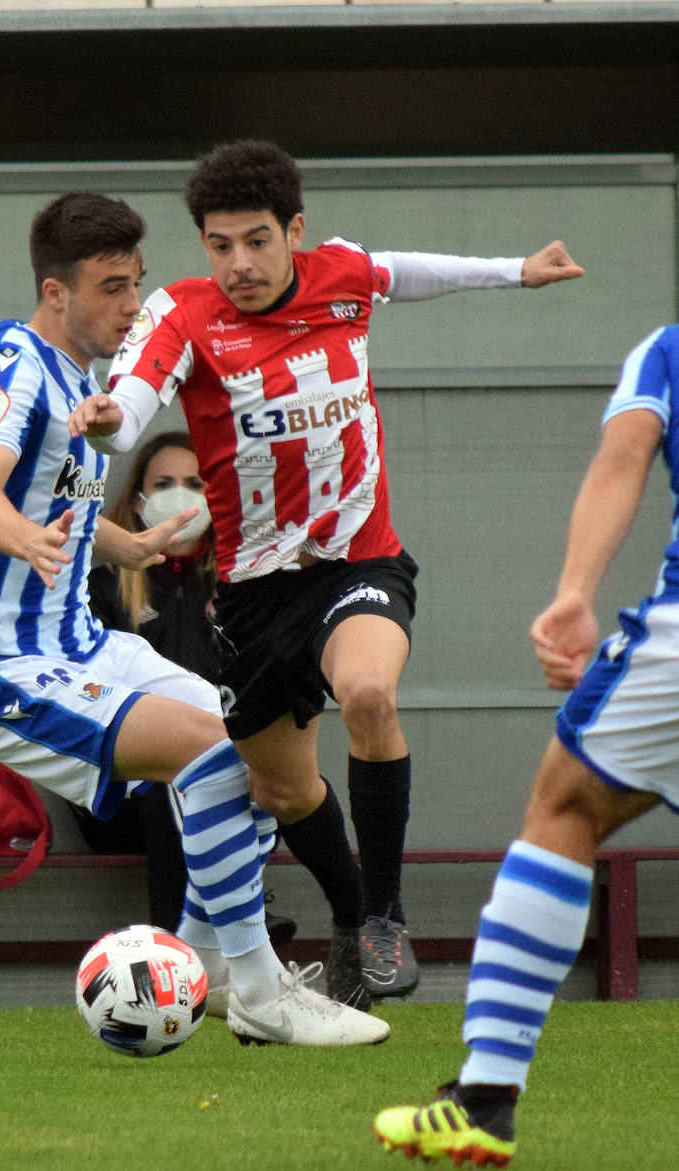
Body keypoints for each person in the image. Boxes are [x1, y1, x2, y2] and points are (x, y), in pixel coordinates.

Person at [70, 138, 584, 1012]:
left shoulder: (339, 276)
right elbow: (135, 400)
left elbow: (406, 271)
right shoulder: (185, 313)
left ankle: (384, 917)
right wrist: (112, 421)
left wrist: (515, 270)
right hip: (254, 593)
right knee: (282, 786)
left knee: (371, 694)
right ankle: (351, 925)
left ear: (294, 231)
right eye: (220, 243)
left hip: (360, 562)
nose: (239, 263)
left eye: (258, 240)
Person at [0, 188, 388, 1047]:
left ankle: (197, 957)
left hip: (80, 645)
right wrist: (24, 538)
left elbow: (60, 506)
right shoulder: (12, 367)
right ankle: (256, 988)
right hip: (1, 667)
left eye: (135, 283)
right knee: (216, 754)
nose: (132, 305)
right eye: (111, 287)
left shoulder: (83, 380)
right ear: (55, 291)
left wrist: (127, 548)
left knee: (250, 736)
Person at [374, 325, 679, 1166]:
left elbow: (624, 457)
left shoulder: (668, 349)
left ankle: (485, 1099)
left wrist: (576, 592)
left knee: (566, 807)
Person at [73, 429, 296, 949]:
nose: (181, 495)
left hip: (236, 773)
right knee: (176, 763)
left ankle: (213, 933)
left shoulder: (247, 590)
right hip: (118, 794)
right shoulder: (101, 587)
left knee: (235, 759)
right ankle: (210, 934)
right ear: (137, 497)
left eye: (196, 483)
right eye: (165, 482)